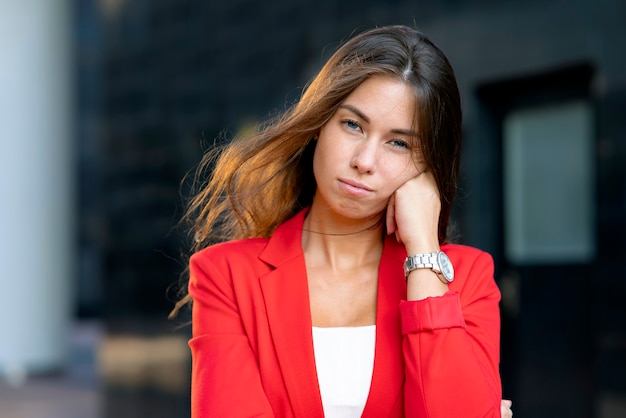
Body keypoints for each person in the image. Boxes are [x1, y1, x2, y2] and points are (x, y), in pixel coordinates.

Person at [180, 25, 512, 417]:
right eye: (353, 125)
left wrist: (423, 252)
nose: (364, 161)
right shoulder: (227, 276)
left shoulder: (467, 279)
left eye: (399, 143)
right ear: (320, 123)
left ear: (427, 166)